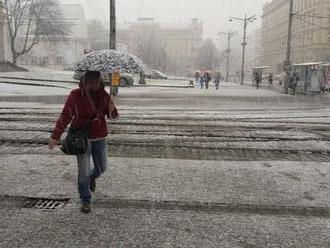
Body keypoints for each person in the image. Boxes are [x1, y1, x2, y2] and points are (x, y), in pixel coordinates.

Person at [48, 71, 118, 214]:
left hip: (100, 138)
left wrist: (112, 109)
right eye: (90, 83)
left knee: (102, 168)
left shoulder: (104, 95)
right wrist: (55, 136)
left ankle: (93, 178)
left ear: (100, 82)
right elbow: (65, 115)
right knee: (83, 172)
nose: (93, 86)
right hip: (82, 138)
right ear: (84, 82)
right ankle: (85, 200)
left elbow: (113, 116)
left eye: (96, 83)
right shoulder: (75, 95)